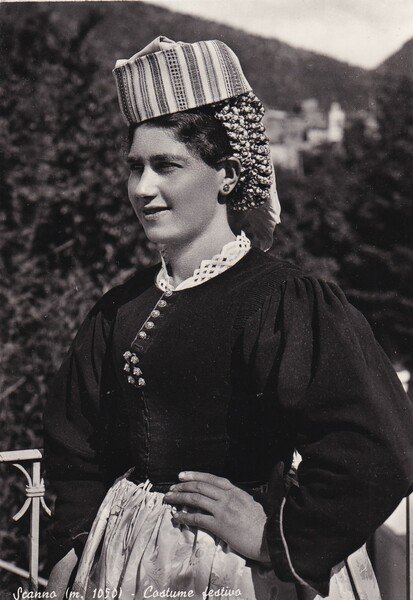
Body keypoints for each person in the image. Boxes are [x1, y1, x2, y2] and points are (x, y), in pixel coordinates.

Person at [44, 37, 413, 600]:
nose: (144, 189)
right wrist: (74, 544)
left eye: (167, 166)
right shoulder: (119, 308)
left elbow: (378, 443)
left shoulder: (285, 301)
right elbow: (74, 442)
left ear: (229, 176)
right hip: (119, 564)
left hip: (240, 574)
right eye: (135, 167)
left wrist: (275, 536)